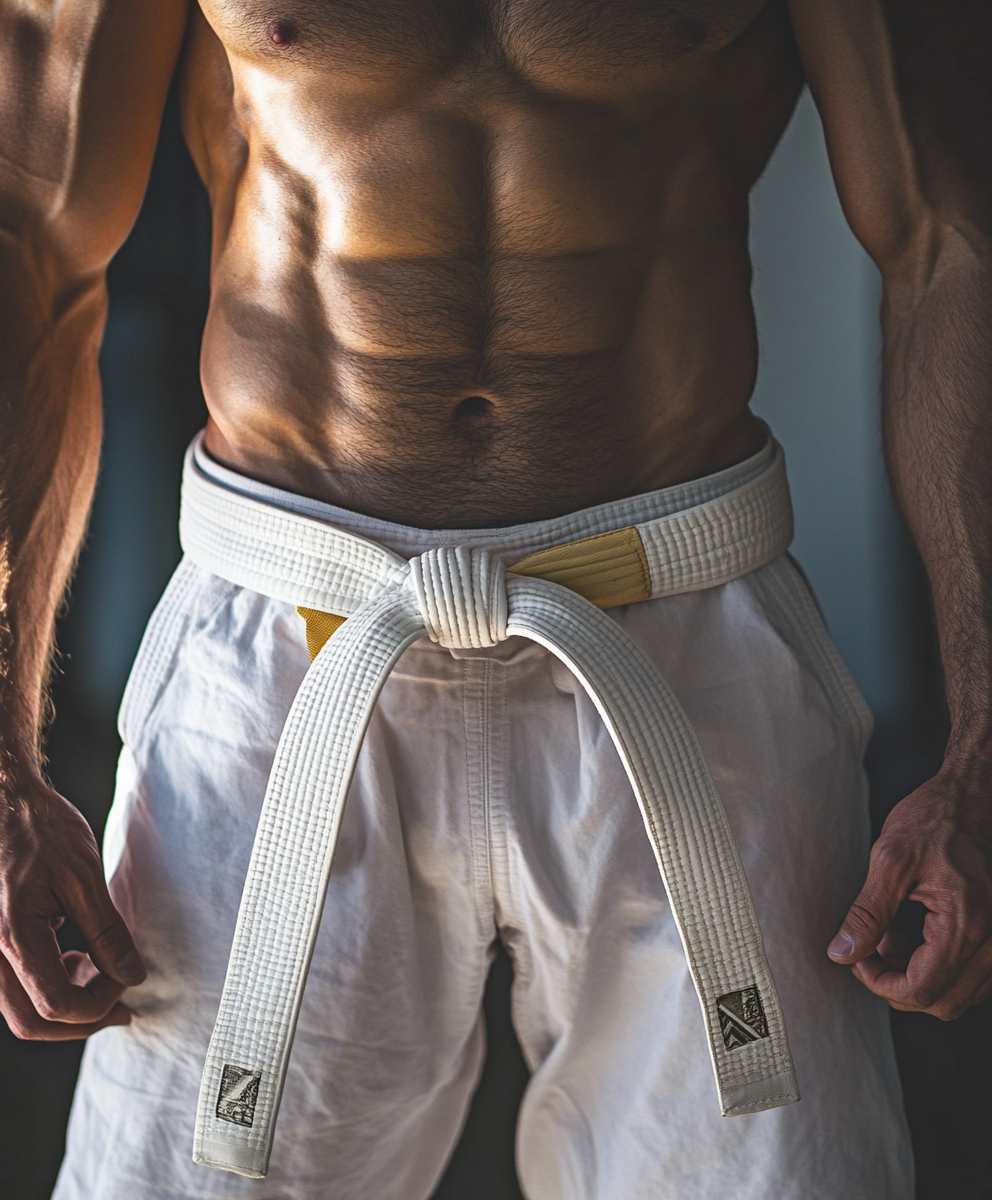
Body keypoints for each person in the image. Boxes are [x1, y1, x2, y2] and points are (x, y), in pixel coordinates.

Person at [0, 0, 989, 1195]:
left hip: (681, 643)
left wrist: (981, 748)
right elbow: (31, 242)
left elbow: (950, 240)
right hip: (287, 649)